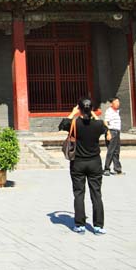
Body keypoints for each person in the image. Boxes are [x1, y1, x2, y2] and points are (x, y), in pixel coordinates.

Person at [59, 98, 107, 235]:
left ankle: (79, 225)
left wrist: (72, 113)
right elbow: (104, 126)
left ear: (79, 109)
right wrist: (93, 114)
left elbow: (62, 125)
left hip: (78, 163)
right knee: (96, 194)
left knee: (79, 194)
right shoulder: (98, 125)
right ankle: (98, 226)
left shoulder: (74, 123)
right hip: (94, 163)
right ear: (91, 109)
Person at [103, 97, 122, 176]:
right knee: (111, 151)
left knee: (116, 151)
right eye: (116, 102)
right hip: (111, 132)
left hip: (117, 132)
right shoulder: (109, 111)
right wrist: (108, 133)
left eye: (118, 101)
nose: (118, 103)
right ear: (111, 103)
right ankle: (106, 169)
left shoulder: (117, 111)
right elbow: (105, 122)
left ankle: (117, 169)